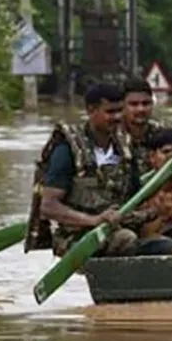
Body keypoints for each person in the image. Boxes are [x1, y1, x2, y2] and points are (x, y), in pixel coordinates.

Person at [27, 82, 160, 257]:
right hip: (75, 237)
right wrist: (94, 220)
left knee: (170, 247)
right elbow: (49, 207)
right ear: (91, 111)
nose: (117, 117)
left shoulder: (125, 147)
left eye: (120, 110)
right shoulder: (68, 150)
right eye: (110, 112)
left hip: (119, 228)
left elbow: (137, 194)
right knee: (125, 239)